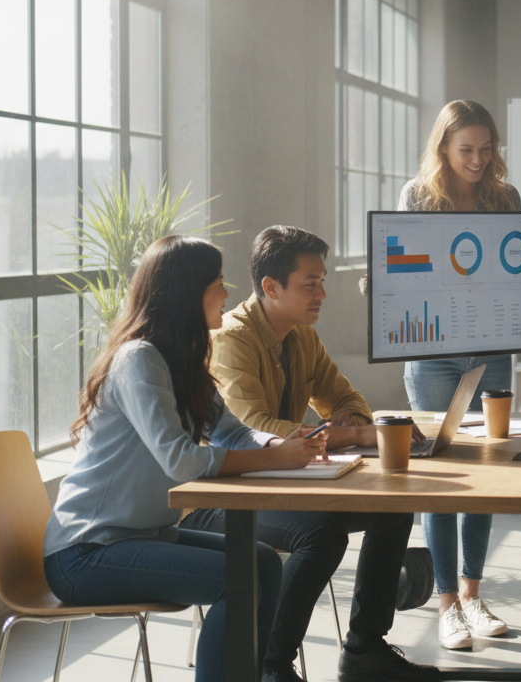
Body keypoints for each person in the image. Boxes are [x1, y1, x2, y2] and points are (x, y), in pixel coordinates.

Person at [42, 236, 325, 682]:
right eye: (218, 284)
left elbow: (231, 429)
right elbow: (182, 461)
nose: (228, 294)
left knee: (264, 563)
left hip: (143, 535)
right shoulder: (139, 360)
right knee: (238, 579)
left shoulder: (182, 359)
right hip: (87, 552)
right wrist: (277, 460)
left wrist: (275, 447)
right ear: (187, 293)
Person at [185, 226, 438, 682]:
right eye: (310, 283)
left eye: (322, 281)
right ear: (271, 287)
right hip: (223, 496)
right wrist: (351, 436)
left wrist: (348, 422)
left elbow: (349, 399)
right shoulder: (231, 341)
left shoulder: (302, 335)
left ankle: (364, 651)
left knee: (393, 507)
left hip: (286, 482)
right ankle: (271, 664)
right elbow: (252, 431)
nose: (322, 293)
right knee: (321, 534)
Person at [399, 100, 515, 650]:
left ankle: (473, 594)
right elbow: (405, 266)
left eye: (485, 148)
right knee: (440, 473)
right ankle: (447, 604)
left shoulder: (505, 197)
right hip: (433, 348)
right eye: (465, 149)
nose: (477, 159)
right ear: (443, 147)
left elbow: (515, 262)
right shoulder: (417, 196)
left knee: (488, 469)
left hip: (491, 347)